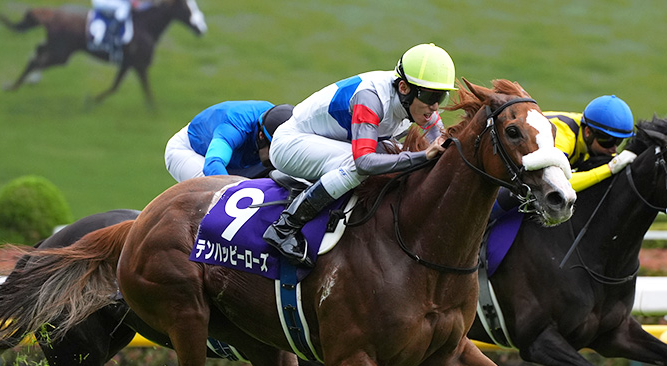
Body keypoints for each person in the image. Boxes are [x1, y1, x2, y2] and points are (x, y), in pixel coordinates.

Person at [263, 43, 456, 267]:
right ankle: (284, 228)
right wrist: (423, 156)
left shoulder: (418, 103)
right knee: (359, 165)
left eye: (441, 97)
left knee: (394, 153)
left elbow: (440, 143)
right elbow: (364, 162)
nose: (435, 107)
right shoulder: (370, 98)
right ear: (404, 88)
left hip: (331, 142)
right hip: (290, 144)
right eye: (430, 96)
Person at [164, 101, 294, 182]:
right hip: (190, 152)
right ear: (261, 136)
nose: (277, 155)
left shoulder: (285, 125)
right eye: (274, 150)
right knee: (220, 195)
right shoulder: (235, 127)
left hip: (237, 159)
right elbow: (213, 164)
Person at [545, 94, 638, 191]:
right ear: (588, 132)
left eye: (618, 141)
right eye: (608, 141)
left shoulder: (591, 130)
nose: (614, 149)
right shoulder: (560, 137)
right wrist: (609, 168)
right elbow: (555, 183)